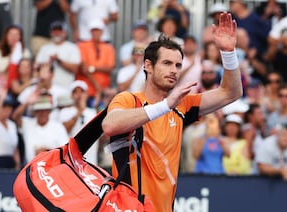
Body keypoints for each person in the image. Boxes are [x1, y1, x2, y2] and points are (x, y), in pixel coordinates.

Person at [101, 12, 242, 212]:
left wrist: (228, 53)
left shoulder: (181, 105)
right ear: (148, 65)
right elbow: (110, 125)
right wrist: (165, 106)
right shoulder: (129, 99)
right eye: (167, 63)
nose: (174, 70)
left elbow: (231, 92)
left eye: (177, 65)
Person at [12, 95, 69, 163]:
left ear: (49, 111)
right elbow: (15, 117)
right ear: (35, 112)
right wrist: (27, 103)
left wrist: (46, 152)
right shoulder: (28, 124)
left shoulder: (58, 127)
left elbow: (65, 149)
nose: (42, 113)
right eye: (39, 110)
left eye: (45, 110)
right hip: (32, 168)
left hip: (54, 167)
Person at [76, 19, 116, 108]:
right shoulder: (82, 45)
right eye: (94, 30)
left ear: (102, 32)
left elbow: (110, 68)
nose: (96, 33)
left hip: (103, 91)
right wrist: (97, 86)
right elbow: (83, 68)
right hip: (86, 91)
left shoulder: (108, 47)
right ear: (90, 31)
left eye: (98, 30)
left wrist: (93, 68)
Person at [58, 80, 98, 164]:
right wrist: (79, 112)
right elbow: (64, 130)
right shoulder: (65, 112)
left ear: (86, 94)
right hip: (71, 160)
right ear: (71, 96)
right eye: (75, 92)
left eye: (82, 92)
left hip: (91, 159)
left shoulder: (93, 112)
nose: (79, 95)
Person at [35, 21, 81, 90]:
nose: (57, 33)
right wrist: (50, 62)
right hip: (47, 88)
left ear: (65, 33)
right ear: (50, 33)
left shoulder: (72, 47)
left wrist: (59, 61)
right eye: (54, 31)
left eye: (59, 31)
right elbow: (36, 67)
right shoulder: (45, 48)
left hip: (66, 87)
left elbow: (75, 69)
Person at [0, 87, 20, 170]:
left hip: (10, 164)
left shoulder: (12, 125)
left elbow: (15, 148)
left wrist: (17, 165)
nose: (8, 110)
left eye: (10, 107)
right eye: (4, 107)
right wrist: (1, 100)